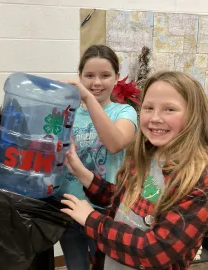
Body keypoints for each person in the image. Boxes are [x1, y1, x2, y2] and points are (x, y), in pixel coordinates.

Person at [61, 71, 208, 269]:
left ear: (194, 115)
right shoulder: (145, 155)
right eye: (149, 108)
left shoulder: (200, 178)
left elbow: (156, 250)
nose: (155, 118)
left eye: (169, 109)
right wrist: (80, 170)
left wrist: (92, 220)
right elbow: (123, 202)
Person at [57, 45, 137, 270]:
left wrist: (88, 98)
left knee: (106, 266)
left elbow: (115, 144)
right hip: (69, 208)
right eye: (89, 76)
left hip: (105, 213)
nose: (97, 83)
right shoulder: (68, 112)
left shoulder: (124, 112)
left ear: (117, 78)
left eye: (105, 75)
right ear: (80, 76)